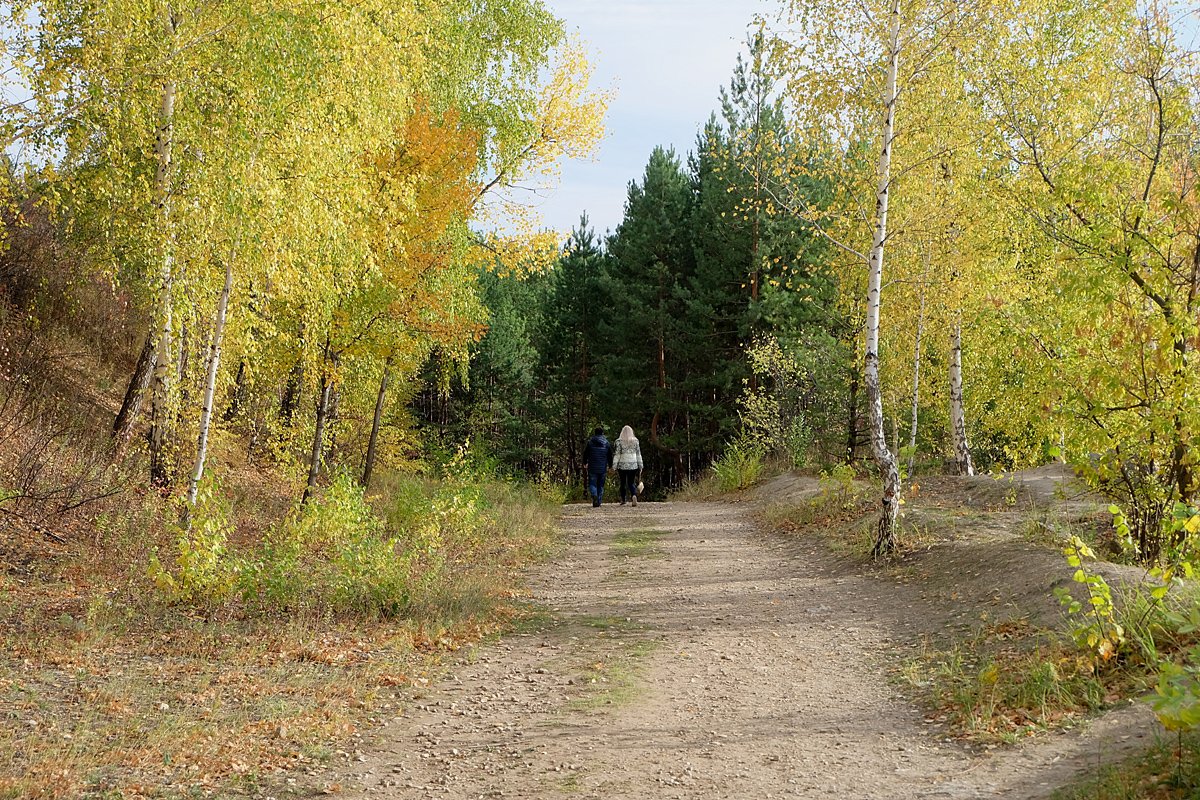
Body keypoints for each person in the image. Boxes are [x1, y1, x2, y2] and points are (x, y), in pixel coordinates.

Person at [613, 425, 643, 506]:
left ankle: (623, 499)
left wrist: (614, 465)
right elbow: (638, 454)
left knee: (622, 482)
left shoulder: (618, 441)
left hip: (622, 465)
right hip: (633, 465)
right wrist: (640, 465)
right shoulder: (636, 441)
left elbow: (617, 454)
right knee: (631, 482)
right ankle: (633, 495)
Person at [582, 426, 613, 507]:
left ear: (595, 433)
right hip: (602, 467)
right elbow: (610, 455)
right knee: (601, 485)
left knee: (592, 483)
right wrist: (610, 466)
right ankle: (598, 501)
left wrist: (584, 462)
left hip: (592, 466)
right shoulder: (606, 443)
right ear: (602, 433)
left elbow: (585, 454)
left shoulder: (590, 442)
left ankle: (594, 495)